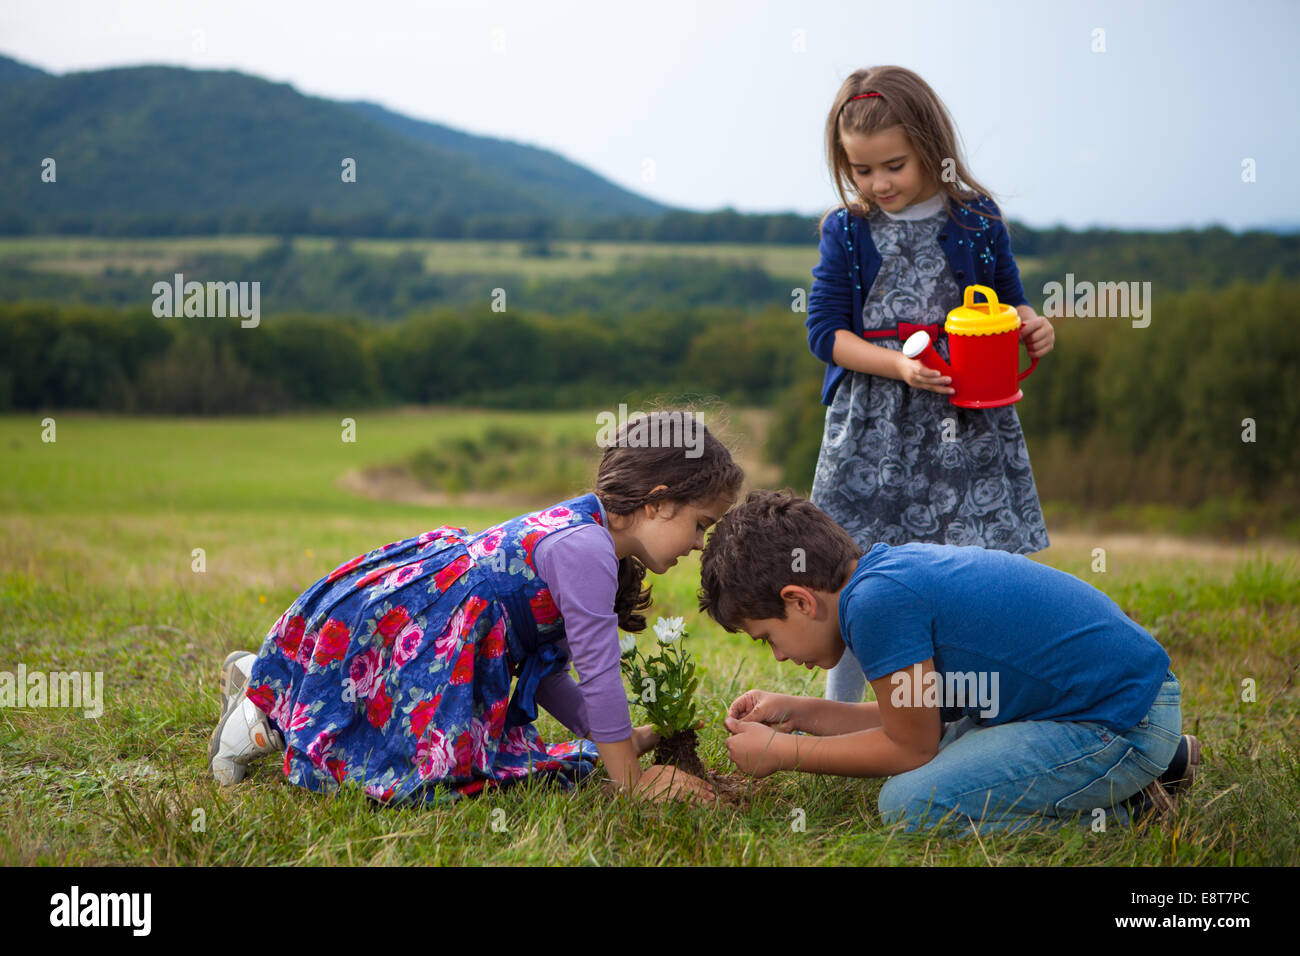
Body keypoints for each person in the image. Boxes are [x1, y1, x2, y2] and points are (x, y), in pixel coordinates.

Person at [209, 411, 743, 805]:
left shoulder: (591, 537)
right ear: (657, 501)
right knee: (414, 773)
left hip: (424, 628)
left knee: (442, 750)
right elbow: (601, 678)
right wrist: (631, 785)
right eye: (701, 524)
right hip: (421, 625)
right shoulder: (588, 551)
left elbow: (552, 677)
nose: (699, 543)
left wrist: (620, 741)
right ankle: (261, 719)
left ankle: (264, 679)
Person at [698, 490, 1201, 834]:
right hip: (1127, 705)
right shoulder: (880, 580)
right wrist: (798, 713)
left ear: (800, 601)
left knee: (909, 804)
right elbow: (914, 718)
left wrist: (786, 754)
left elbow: (911, 747)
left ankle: (1134, 806)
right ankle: (1167, 760)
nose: (781, 655)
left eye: (769, 638)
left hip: (1115, 723)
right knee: (953, 742)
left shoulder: (874, 608)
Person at [804, 66, 1056, 706]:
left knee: (969, 567)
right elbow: (826, 333)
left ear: (929, 146)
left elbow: (1009, 302)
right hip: (875, 429)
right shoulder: (847, 230)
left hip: (967, 421)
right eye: (861, 171)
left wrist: (1030, 325)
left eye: (894, 165)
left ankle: (971, 707)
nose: (878, 184)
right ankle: (842, 709)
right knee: (859, 569)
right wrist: (899, 367)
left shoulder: (976, 218)